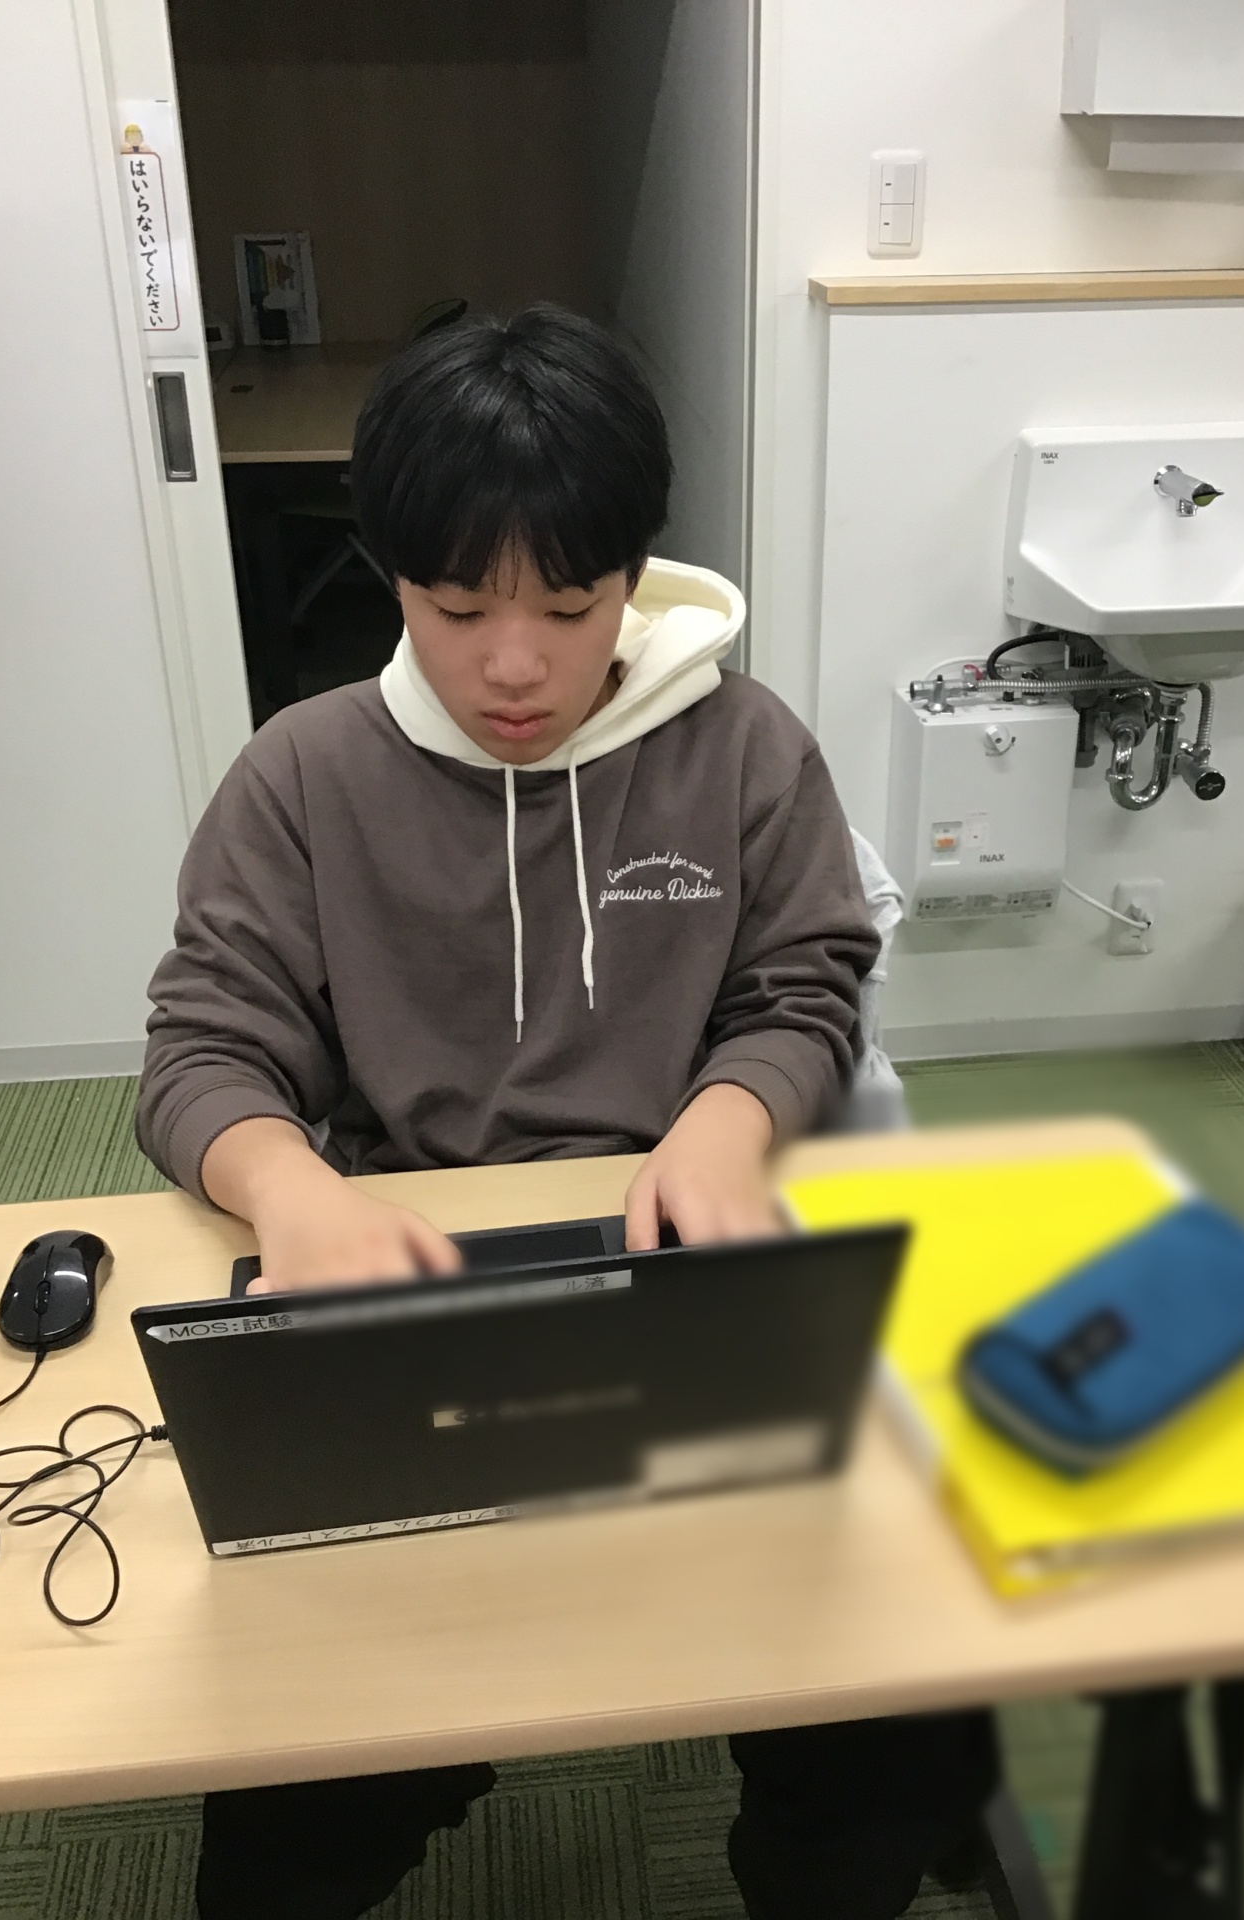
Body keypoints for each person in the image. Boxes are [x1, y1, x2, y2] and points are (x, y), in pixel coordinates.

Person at [136, 305, 997, 1920]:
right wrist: (293, 1189)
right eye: (459, 609)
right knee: (290, 1795)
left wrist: (726, 1121)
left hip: (687, 1276)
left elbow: (804, 986)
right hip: (414, 1294)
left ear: (634, 575)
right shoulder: (304, 776)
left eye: (571, 605)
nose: (516, 664)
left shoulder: (743, 751)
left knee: (893, 1709)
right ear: (392, 578)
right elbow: (202, 1048)